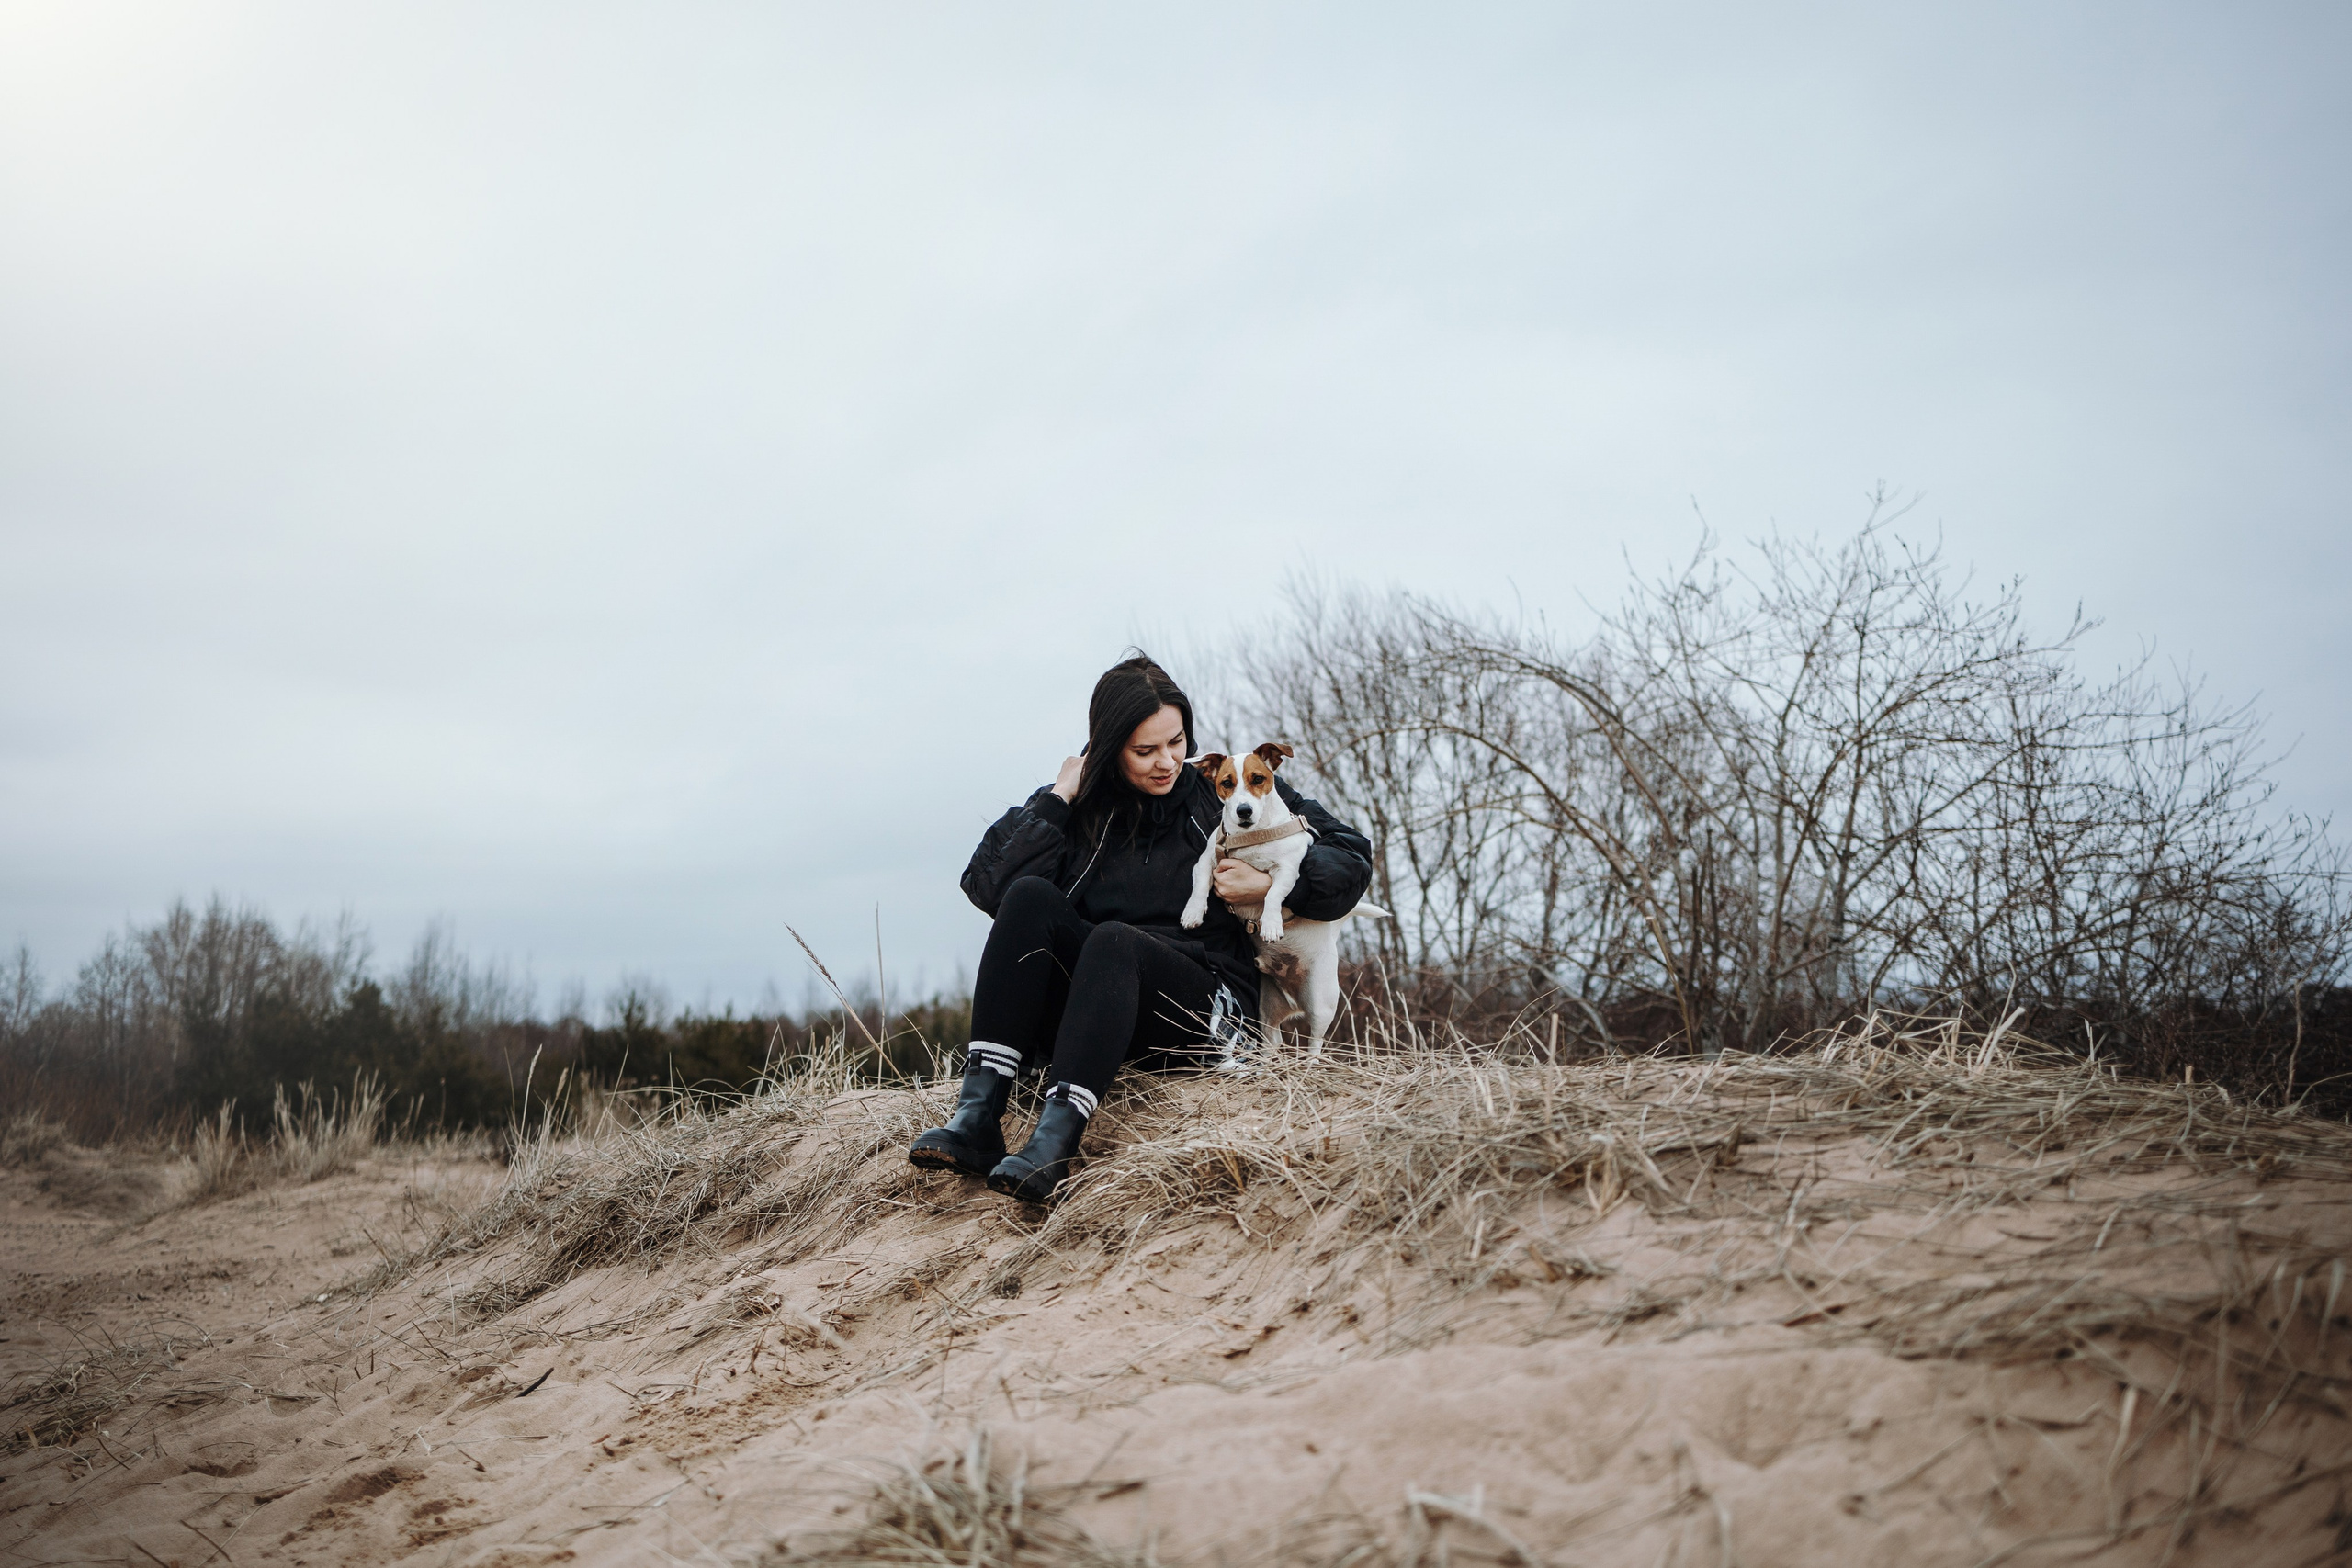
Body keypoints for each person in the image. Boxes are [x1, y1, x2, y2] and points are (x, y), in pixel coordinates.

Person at [910, 654, 1374, 1201]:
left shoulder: (1223, 792)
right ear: (1108, 748)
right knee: (1032, 897)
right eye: (1145, 751)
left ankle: (1053, 1146)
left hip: (1205, 1007)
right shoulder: (1080, 807)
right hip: (1097, 1007)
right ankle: (977, 1118)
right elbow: (991, 888)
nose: (1167, 762)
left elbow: (1350, 856)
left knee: (1115, 939)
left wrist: (1276, 887)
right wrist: (1057, 799)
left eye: (1176, 742)